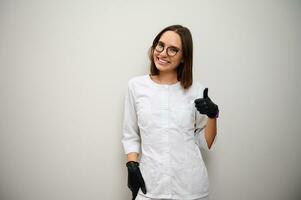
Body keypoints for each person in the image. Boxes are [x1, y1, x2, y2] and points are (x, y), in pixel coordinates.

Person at [121, 24, 219, 200]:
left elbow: (205, 143)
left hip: (190, 188)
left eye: (173, 50)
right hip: (150, 185)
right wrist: (132, 165)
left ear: (183, 57)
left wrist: (213, 116)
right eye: (160, 45)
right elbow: (130, 135)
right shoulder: (136, 86)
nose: (163, 53)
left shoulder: (197, 91)